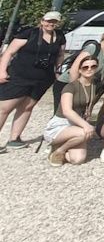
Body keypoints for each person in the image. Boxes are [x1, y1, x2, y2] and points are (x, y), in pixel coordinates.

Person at [0, 10, 66, 151]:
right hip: (19, 75)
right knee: (4, 108)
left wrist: (58, 71)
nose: (50, 24)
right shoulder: (29, 33)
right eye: (48, 21)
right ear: (42, 21)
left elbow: (60, 55)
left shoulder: (60, 36)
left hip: (43, 78)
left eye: (54, 21)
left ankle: (14, 138)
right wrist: (2, 71)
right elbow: (9, 52)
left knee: (27, 107)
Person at [44, 56, 98, 166]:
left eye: (93, 66)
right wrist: (86, 125)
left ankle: (62, 147)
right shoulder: (70, 87)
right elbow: (67, 111)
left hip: (76, 124)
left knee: (78, 160)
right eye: (85, 67)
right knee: (84, 133)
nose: (89, 69)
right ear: (79, 70)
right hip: (61, 124)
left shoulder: (94, 86)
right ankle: (58, 151)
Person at [54, 25, 104, 104]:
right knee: (63, 113)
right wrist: (75, 89)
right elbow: (74, 69)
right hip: (68, 83)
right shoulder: (93, 48)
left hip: (88, 86)